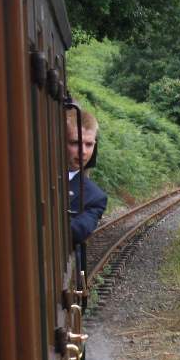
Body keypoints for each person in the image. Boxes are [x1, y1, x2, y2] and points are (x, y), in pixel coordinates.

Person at [67, 108, 108, 273]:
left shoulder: (95, 197)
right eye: (75, 143)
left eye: (89, 144)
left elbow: (77, 232)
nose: (83, 151)